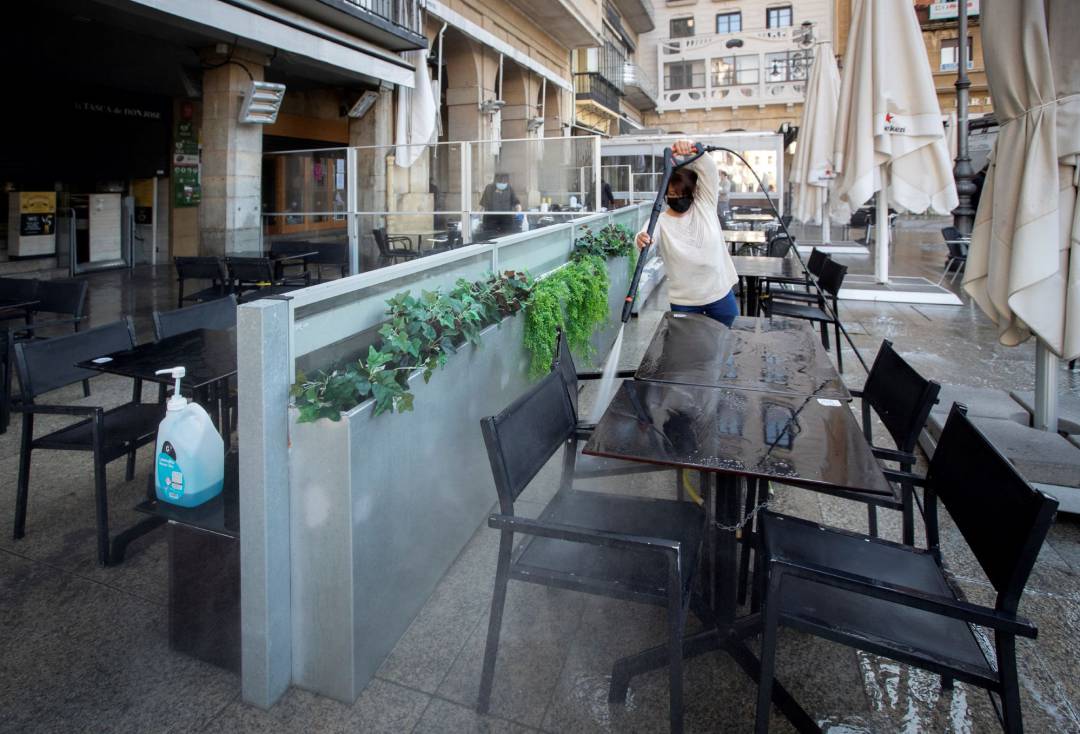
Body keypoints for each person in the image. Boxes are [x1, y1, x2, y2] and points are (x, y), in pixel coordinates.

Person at [636, 139, 739, 326]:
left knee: (724, 345)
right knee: (689, 350)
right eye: (672, 196)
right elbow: (645, 234)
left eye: (682, 194)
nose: (677, 199)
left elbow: (709, 171)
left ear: (692, 193)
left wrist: (690, 149)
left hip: (719, 293)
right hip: (686, 302)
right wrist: (641, 239)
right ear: (665, 196)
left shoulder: (704, 203)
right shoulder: (660, 221)